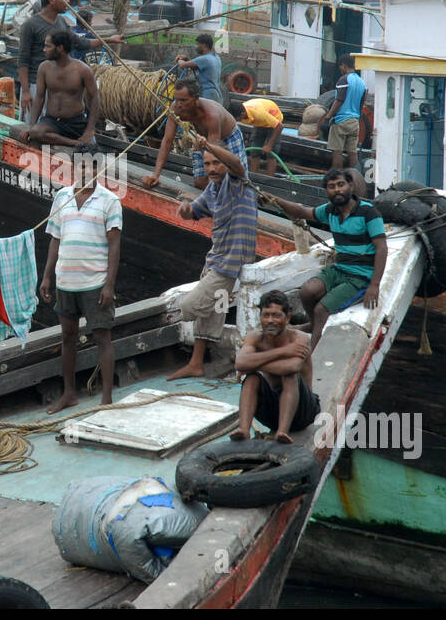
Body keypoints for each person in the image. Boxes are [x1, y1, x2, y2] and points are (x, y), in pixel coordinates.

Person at [166, 133, 258, 380]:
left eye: (216, 163)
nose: (211, 169)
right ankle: (196, 363)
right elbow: (192, 213)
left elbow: (236, 164)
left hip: (231, 262)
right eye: (207, 164)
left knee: (188, 307)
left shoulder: (237, 181)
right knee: (214, 311)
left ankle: (240, 357)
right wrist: (185, 209)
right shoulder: (213, 189)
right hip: (216, 258)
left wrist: (208, 146)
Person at [264, 168, 388, 349]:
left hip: (361, 277)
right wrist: (274, 200)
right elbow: (301, 211)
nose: (337, 190)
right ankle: (314, 325)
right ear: (326, 191)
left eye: (341, 185)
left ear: (350, 186)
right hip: (339, 270)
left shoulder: (368, 212)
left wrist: (374, 285)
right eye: (331, 187)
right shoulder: (330, 211)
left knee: (322, 309)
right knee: (307, 291)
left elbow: (382, 248)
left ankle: (310, 353)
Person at [40, 153, 122, 413]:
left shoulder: (110, 201)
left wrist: (109, 285)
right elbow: (55, 238)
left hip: (95, 281)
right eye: (81, 165)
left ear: (99, 169)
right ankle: (69, 394)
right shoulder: (62, 197)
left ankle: (106, 399)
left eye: (91, 166)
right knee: (67, 336)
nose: (85, 170)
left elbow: (115, 245)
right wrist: (47, 276)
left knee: (102, 336)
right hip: (66, 280)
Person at [16, 0, 120, 118]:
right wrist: (25, 92)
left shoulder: (62, 22)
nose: (68, 1)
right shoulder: (30, 25)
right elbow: (23, 60)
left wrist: (108, 40)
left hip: (56, 86)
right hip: (35, 86)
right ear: (51, 0)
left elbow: (79, 43)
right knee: (31, 129)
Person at [232, 290, 316, 443]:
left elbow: (292, 367)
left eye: (276, 316)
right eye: (266, 315)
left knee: (289, 376)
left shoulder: (299, 338)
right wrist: (284, 351)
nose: (270, 320)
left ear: (287, 317)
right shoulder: (255, 338)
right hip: (272, 413)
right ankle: (244, 431)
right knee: (252, 378)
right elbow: (240, 363)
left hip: (302, 412)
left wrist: (254, 364)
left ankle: (282, 433)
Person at [143, 78, 246, 190]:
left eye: (183, 100)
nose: (178, 104)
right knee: (200, 182)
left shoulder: (211, 115)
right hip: (202, 139)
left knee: (233, 180)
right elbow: (167, 141)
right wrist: (156, 175)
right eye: (176, 99)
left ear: (195, 98)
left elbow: (213, 153)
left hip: (227, 138)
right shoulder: (175, 109)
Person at [20, 30, 100, 149]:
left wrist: (90, 129)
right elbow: (40, 97)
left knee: (92, 152)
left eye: (48, 46)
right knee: (36, 132)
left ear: (60, 48)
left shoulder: (83, 70)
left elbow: (94, 98)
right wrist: (31, 126)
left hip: (75, 122)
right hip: (51, 122)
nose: (44, 49)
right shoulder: (44, 68)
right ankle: (75, 143)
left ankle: (78, 141)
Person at [325, 54, 366, 169]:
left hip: (341, 121)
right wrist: (358, 120)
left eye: (340, 67)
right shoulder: (362, 82)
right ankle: (355, 179)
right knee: (353, 154)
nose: (340, 69)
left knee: (337, 153)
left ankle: (336, 178)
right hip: (354, 122)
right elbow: (361, 105)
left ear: (343, 65)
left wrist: (328, 117)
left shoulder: (344, 79)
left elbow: (339, 100)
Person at [228, 96, 285, 175]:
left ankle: (270, 181)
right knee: (254, 152)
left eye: (238, 119)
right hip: (260, 122)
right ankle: (253, 178)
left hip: (274, 120)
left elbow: (280, 126)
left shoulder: (258, 113)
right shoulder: (242, 112)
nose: (237, 121)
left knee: (271, 154)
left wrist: (269, 145)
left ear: (243, 114)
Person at [175, 33, 222, 102]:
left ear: (204, 46)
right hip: (217, 94)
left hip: (207, 95)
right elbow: (196, 65)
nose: (195, 47)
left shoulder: (204, 59)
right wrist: (187, 59)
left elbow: (183, 65)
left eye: (197, 44)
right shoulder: (216, 57)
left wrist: (179, 59)